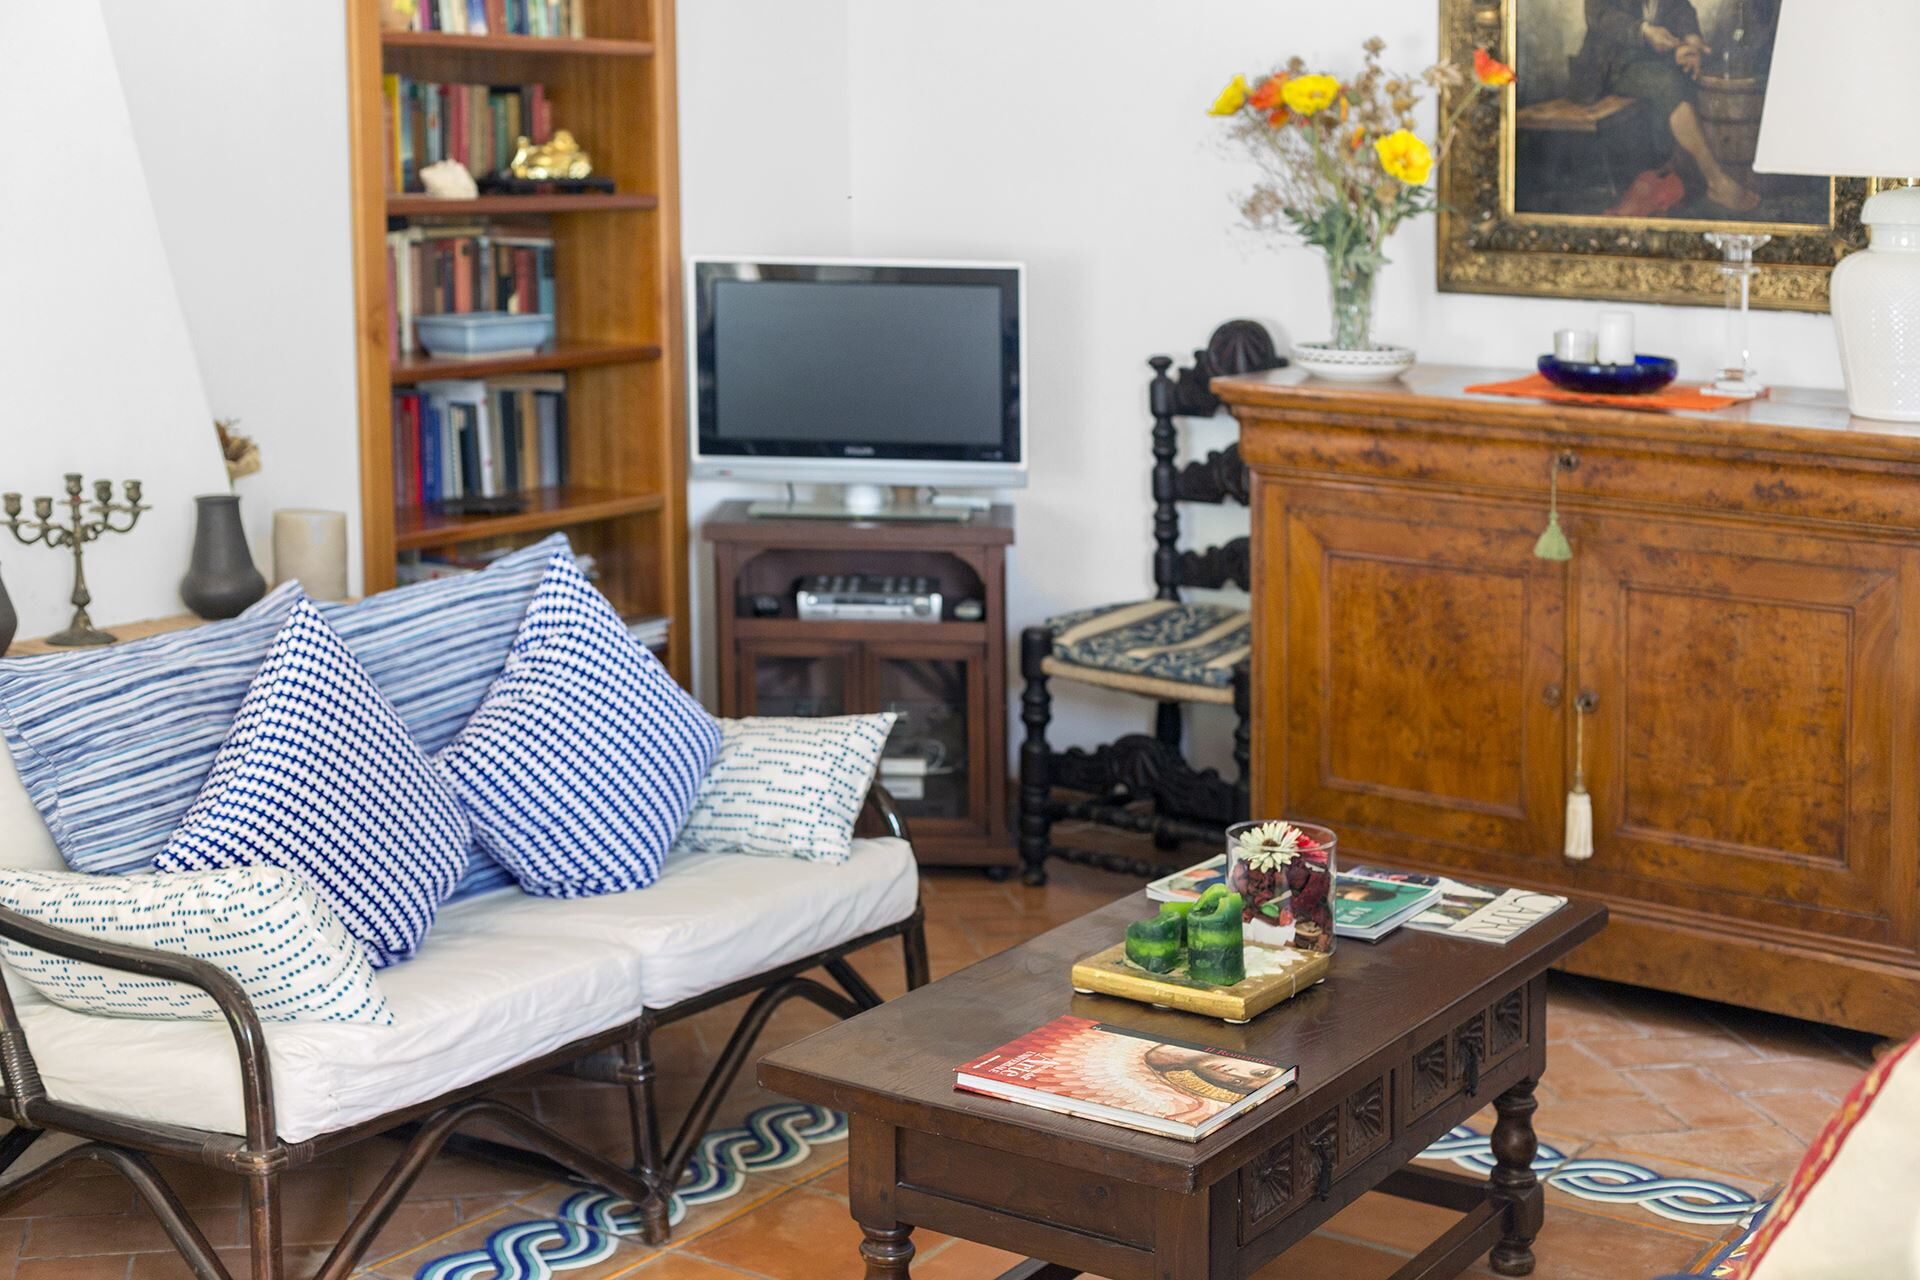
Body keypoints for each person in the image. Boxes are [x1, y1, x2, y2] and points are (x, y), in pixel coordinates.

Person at [1572, 0, 1760, 212]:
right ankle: (1716, 180)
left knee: (1692, 72)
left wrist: (1690, 40)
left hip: (1649, 57)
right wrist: (1644, 31)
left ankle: (1679, 174)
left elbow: (1679, 7)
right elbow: (1599, 15)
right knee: (1668, 83)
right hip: (1608, 67)